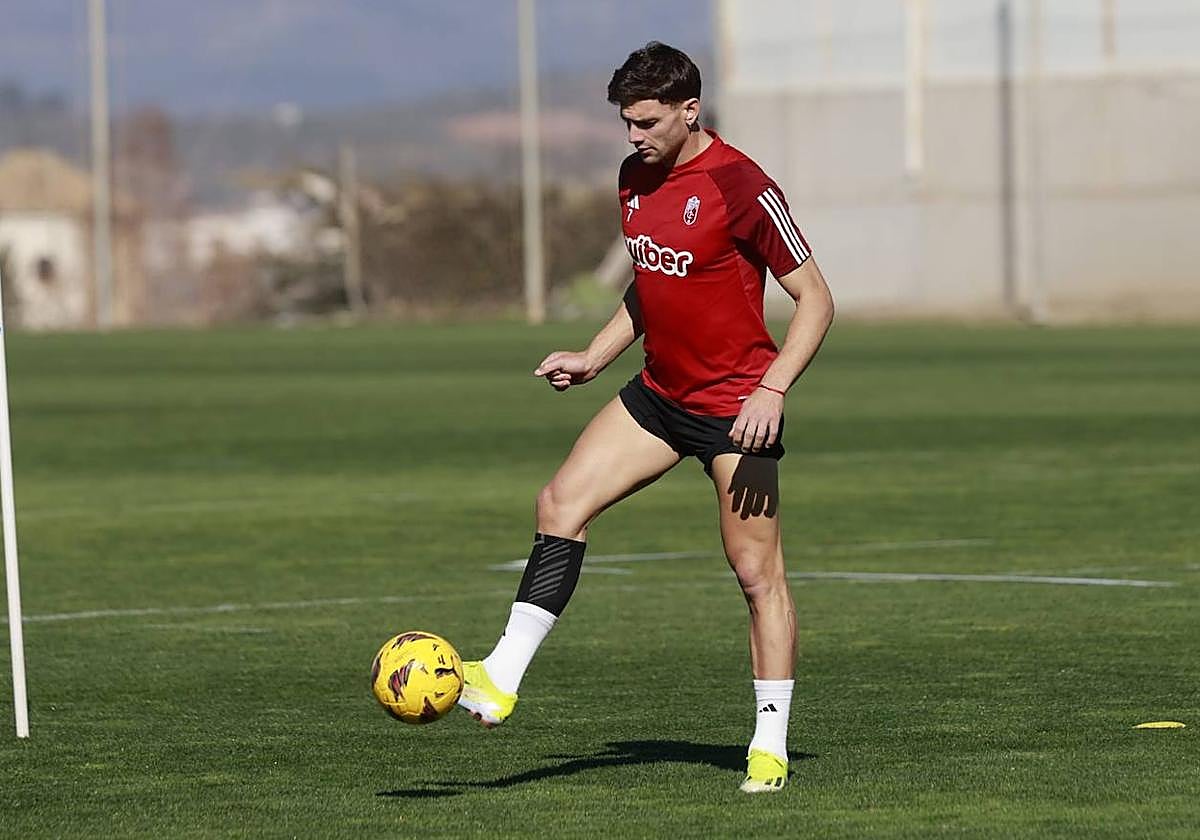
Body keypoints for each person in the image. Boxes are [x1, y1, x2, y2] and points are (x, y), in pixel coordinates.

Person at [458, 41, 835, 794]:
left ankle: (769, 744)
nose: (634, 136)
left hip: (738, 411)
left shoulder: (742, 185)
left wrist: (774, 389)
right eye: (627, 123)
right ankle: (500, 675)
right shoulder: (634, 176)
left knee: (757, 574)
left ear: (690, 110)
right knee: (560, 503)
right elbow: (652, 276)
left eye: (648, 121)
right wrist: (596, 356)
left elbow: (817, 301)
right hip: (660, 397)